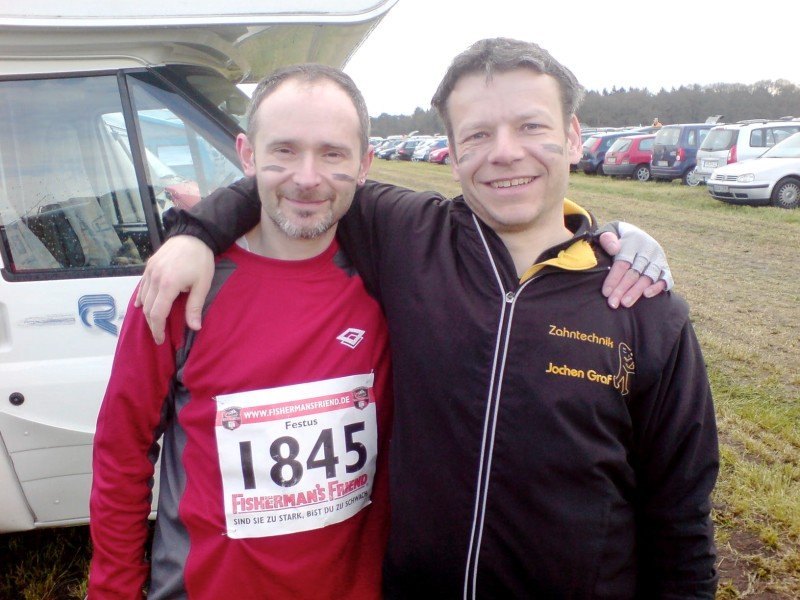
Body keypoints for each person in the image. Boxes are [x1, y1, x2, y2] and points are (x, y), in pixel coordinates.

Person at [136, 39, 718, 598]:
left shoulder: (642, 307)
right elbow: (301, 182)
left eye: (530, 126)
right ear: (453, 153)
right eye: (478, 134)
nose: (505, 152)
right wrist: (196, 234)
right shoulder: (407, 235)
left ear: (572, 137)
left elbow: (681, 520)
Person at [88, 65, 394, 599]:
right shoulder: (180, 288)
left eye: (332, 153)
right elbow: (122, 450)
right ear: (247, 155)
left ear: (364, 164)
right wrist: (114, 588)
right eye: (284, 151)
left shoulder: (393, 281)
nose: (307, 177)